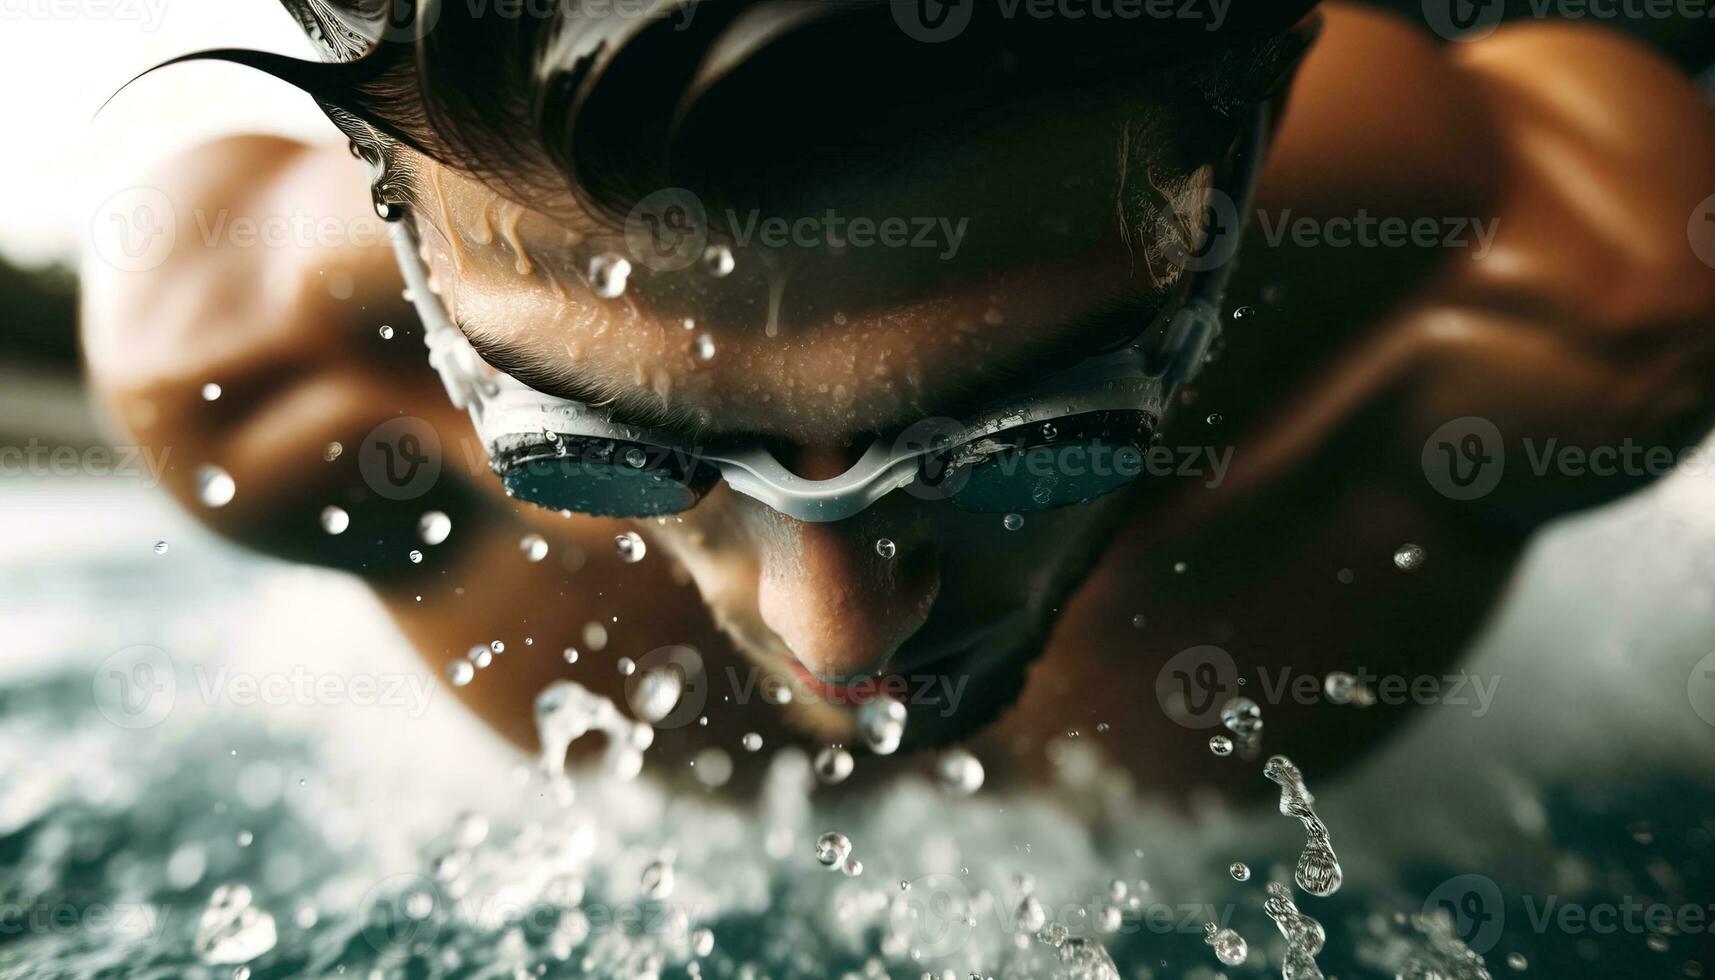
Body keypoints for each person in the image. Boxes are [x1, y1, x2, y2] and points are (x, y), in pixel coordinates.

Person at [82, 0, 1715, 793]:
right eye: (604, 455)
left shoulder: (1549, 298)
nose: (842, 634)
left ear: (1230, 207)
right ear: (413, 257)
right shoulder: (260, 385)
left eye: (1025, 441)